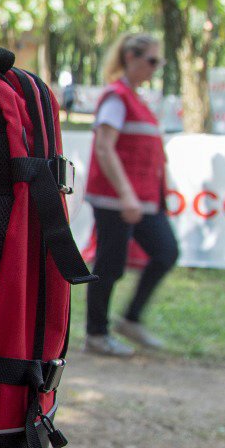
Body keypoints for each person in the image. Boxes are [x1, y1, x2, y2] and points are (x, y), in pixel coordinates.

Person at [82, 33, 178, 356]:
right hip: (117, 199)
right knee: (109, 265)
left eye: (158, 61)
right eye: (152, 60)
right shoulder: (116, 98)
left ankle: (131, 319)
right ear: (131, 57)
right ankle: (96, 334)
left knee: (166, 252)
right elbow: (105, 147)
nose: (155, 67)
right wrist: (125, 194)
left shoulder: (137, 99)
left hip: (144, 200)